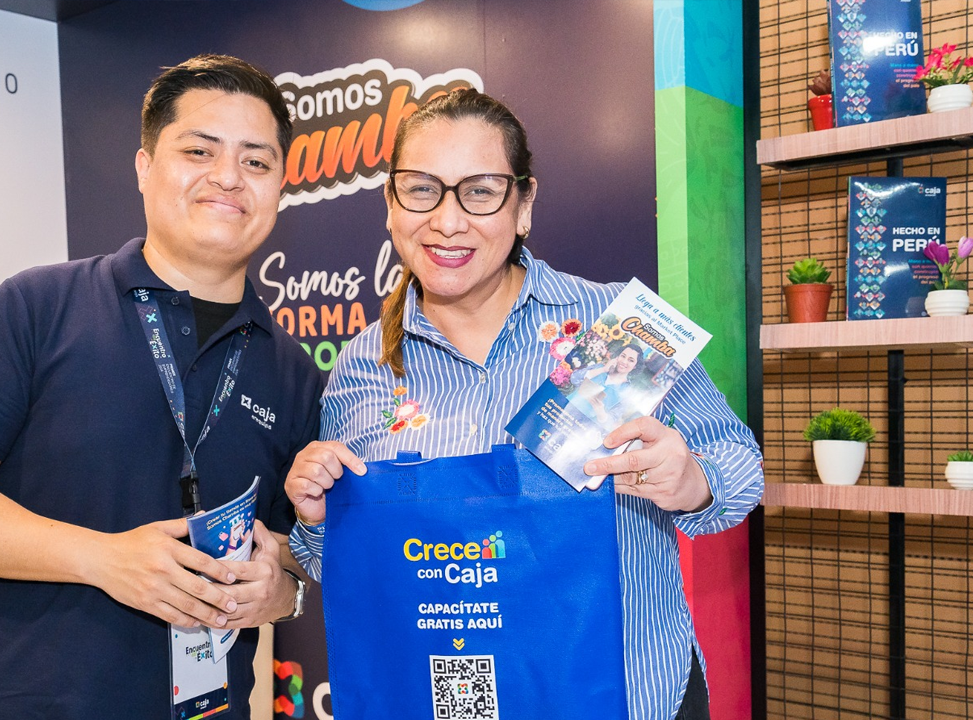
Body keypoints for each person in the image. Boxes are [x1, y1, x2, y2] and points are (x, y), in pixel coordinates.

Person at [284, 89, 763, 720]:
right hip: (453, 698)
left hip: (629, 696)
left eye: (479, 192)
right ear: (391, 205)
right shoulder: (361, 368)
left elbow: (742, 464)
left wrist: (694, 481)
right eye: (422, 189)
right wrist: (320, 520)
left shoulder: (617, 325)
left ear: (524, 204)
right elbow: (342, 564)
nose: (448, 221)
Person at [0, 55, 320, 720]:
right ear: (145, 167)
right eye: (199, 151)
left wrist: (283, 592)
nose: (228, 176)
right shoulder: (38, 307)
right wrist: (104, 559)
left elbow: (297, 552)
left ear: (278, 187)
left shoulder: (294, 372)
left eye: (256, 161)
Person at [574, 342, 645, 425]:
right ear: (617, 357)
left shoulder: (626, 392)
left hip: (585, 425)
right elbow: (574, 378)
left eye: (631, 360)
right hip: (567, 408)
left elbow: (611, 421)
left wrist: (600, 411)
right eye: (623, 356)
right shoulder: (599, 368)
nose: (624, 361)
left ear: (635, 366)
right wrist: (603, 370)